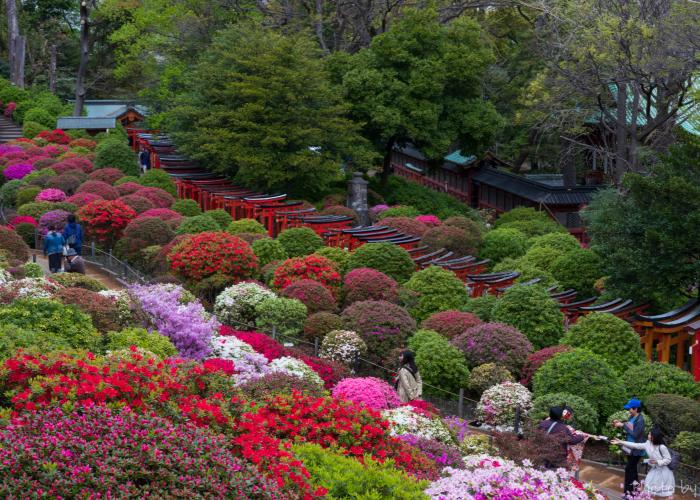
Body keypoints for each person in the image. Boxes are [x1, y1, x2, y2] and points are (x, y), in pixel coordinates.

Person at [612, 426, 675, 498]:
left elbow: (668, 460)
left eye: (650, 434)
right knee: (649, 488)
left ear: (655, 436)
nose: (648, 435)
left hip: (664, 472)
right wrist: (621, 442)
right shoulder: (648, 444)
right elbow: (636, 445)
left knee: (663, 493)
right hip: (654, 471)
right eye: (649, 434)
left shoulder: (662, 447)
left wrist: (657, 461)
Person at [613, 398, 646, 497]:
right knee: (633, 471)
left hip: (635, 450)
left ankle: (628, 493)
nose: (628, 410)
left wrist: (622, 425)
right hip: (629, 447)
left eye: (630, 409)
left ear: (635, 409)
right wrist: (620, 422)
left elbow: (635, 434)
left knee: (629, 470)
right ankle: (635, 492)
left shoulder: (640, 420)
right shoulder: (632, 417)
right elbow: (629, 425)